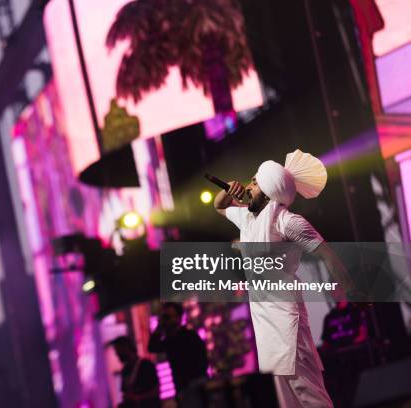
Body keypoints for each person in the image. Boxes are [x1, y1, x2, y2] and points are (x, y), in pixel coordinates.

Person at [213, 149, 356, 407]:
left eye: (255, 182)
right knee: (287, 400)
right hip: (265, 324)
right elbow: (219, 206)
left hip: (287, 321)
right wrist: (228, 189)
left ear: (269, 191)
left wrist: (352, 292)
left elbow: (327, 254)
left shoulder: (287, 221)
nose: (248, 186)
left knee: (310, 395)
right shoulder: (248, 219)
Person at [148, 302, 208, 398]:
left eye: (167, 317)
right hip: (183, 389)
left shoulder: (189, 336)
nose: (165, 321)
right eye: (163, 317)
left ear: (178, 318)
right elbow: (152, 347)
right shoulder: (170, 340)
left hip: (195, 386)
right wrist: (159, 327)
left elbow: (203, 362)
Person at [109, 336, 160, 408]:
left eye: (118, 350)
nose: (117, 354)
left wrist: (137, 397)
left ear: (126, 348)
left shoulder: (146, 365)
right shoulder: (125, 370)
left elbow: (156, 392)